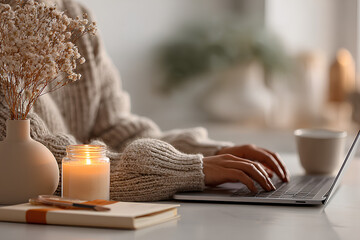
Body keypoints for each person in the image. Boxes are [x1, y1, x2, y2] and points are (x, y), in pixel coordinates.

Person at [0, 0, 289, 201]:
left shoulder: (72, 16)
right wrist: (187, 169)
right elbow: (38, 164)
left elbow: (114, 129)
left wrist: (211, 153)